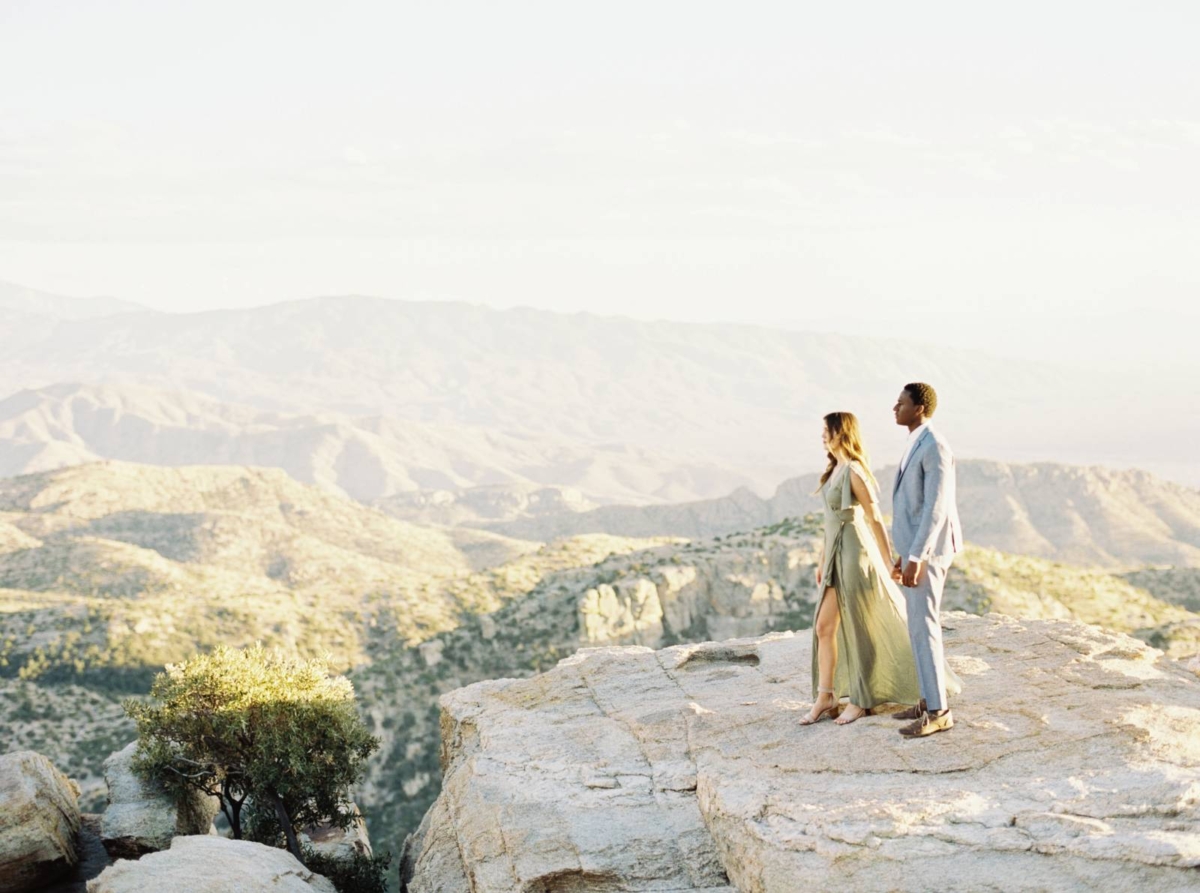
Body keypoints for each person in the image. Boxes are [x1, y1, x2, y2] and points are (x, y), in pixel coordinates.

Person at [799, 412, 922, 726]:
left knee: (857, 626)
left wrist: (887, 559)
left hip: (855, 555)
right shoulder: (834, 469)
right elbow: (830, 522)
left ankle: (861, 700)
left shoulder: (854, 470)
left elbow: (874, 517)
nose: (821, 436)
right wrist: (822, 558)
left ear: (841, 432)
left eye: (826, 430)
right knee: (824, 627)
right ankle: (826, 696)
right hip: (834, 556)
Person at [890, 382, 963, 739]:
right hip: (915, 550)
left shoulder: (934, 446)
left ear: (919, 408)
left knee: (926, 627)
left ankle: (939, 711)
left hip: (929, 553)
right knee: (917, 627)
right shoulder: (916, 441)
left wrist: (917, 555)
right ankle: (926, 699)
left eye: (901, 402)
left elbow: (936, 508)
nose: (894, 407)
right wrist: (903, 553)